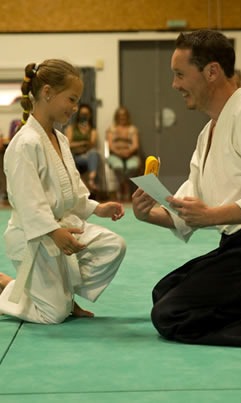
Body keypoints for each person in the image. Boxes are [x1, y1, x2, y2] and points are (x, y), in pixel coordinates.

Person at [132, 30, 241, 348]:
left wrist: (213, 215)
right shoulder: (208, 131)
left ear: (211, 72)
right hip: (237, 248)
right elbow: (190, 206)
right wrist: (149, 215)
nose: (175, 85)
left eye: (180, 74)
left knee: (172, 314)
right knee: (164, 292)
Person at [0, 59, 126, 324]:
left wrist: (97, 208)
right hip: (32, 236)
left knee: (112, 246)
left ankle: (63, 296)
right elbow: (27, 202)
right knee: (53, 315)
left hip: (61, 226)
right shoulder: (24, 144)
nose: (75, 107)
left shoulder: (61, 139)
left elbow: (72, 191)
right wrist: (54, 232)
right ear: (47, 92)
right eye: (71, 99)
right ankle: (9, 290)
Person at [106, 107, 141, 201]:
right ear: (117, 117)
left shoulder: (132, 129)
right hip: (115, 154)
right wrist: (119, 153)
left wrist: (127, 152)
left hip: (130, 154)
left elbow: (135, 145)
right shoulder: (111, 129)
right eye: (120, 115)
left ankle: (123, 184)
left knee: (132, 166)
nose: (122, 117)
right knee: (118, 166)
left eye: (124, 115)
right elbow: (110, 146)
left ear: (127, 116)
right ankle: (125, 185)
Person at [65, 104, 100, 194]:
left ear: (90, 115)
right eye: (82, 114)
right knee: (91, 154)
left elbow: (92, 145)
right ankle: (91, 182)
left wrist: (86, 131)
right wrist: (83, 143)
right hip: (74, 156)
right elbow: (68, 144)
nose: (84, 116)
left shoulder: (92, 130)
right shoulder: (71, 128)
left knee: (93, 153)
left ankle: (91, 180)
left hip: (87, 156)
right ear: (79, 115)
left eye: (86, 114)